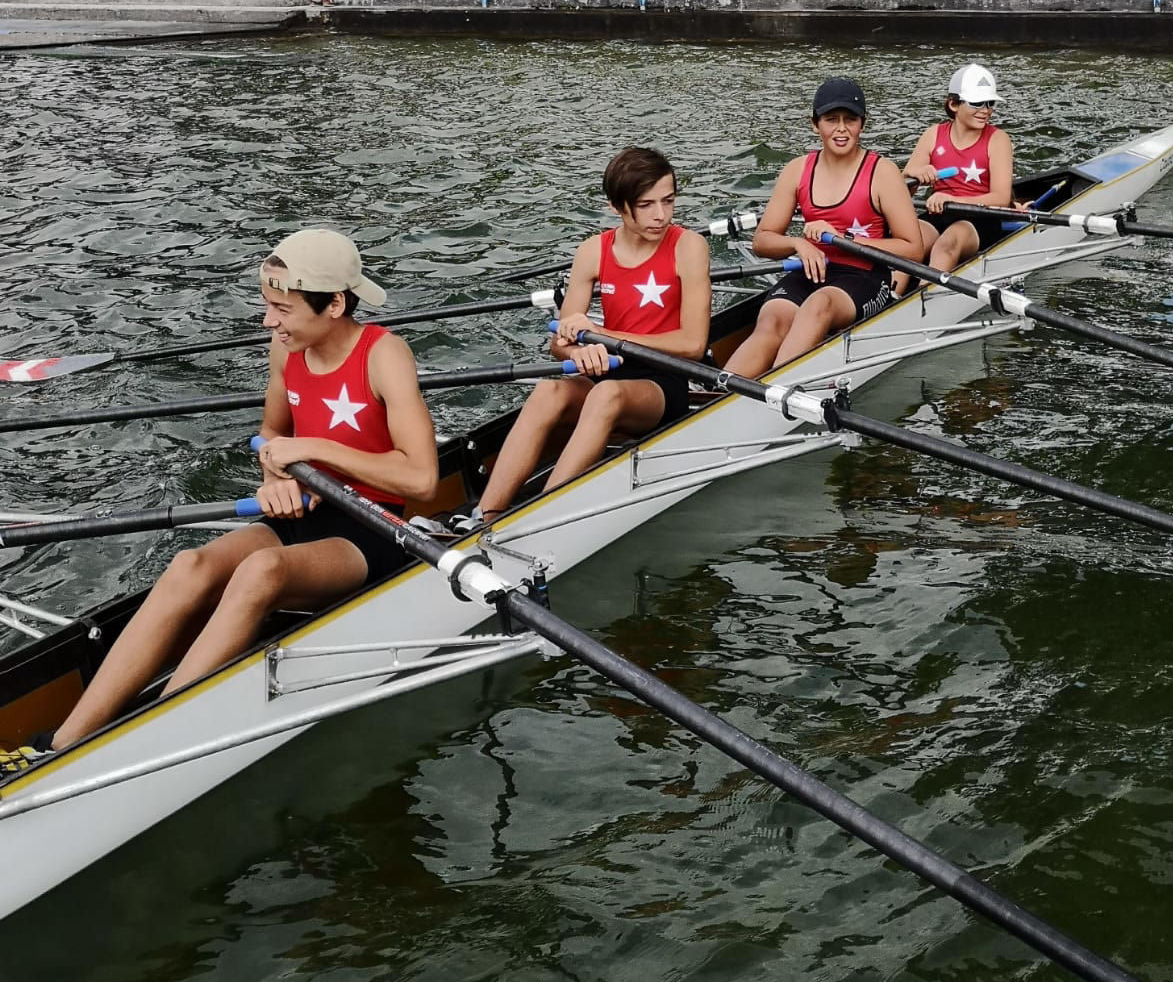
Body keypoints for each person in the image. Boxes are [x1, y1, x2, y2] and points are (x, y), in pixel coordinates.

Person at [36, 231, 438, 758]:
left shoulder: (384, 355)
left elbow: (422, 479)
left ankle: (158, 732)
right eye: (266, 305)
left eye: (282, 308)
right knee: (189, 565)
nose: (268, 321)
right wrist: (275, 478)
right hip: (303, 513)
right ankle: (61, 743)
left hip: (373, 529)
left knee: (261, 571)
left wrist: (314, 448)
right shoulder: (286, 348)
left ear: (335, 303)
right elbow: (270, 436)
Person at [461, 147, 711, 526]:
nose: (661, 215)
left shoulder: (688, 247)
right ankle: (485, 514)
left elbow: (693, 344)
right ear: (616, 206)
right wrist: (576, 351)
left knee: (605, 393)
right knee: (549, 390)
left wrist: (603, 335)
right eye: (646, 205)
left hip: (663, 380)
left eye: (668, 200)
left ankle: (542, 517)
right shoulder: (592, 252)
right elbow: (560, 341)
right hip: (608, 370)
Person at [724, 78, 923, 378]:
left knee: (819, 304)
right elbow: (762, 242)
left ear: (862, 124)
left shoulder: (883, 173)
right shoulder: (797, 170)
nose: (841, 129)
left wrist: (845, 239)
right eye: (831, 120)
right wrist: (797, 244)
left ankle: (775, 390)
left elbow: (913, 248)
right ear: (815, 124)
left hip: (867, 278)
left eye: (850, 119)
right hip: (812, 271)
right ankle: (721, 393)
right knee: (772, 320)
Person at [892, 64, 1017, 296]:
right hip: (939, 212)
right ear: (953, 104)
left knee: (946, 243)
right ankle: (890, 295)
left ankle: (922, 298)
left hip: (983, 217)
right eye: (977, 103)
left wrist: (951, 197)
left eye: (990, 103)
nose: (986, 110)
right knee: (909, 239)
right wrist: (915, 176)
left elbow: (1000, 198)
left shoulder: (998, 139)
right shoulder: (932, 135)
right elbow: (899, 192)